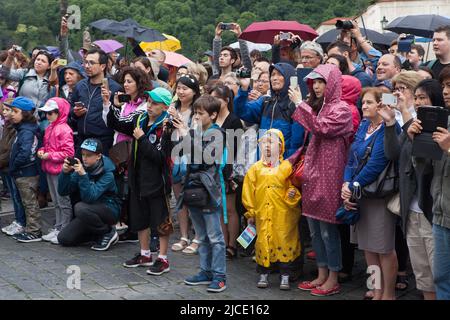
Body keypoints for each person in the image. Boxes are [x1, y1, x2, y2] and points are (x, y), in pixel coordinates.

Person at [289, 64, 353, 297]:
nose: (316, 86)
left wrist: (299, 103)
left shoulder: (342, 109)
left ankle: (334, 277)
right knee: (315, 231)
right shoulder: (320, 107)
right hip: (313, 174)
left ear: (332, 83)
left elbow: (322, 128)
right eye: (313, 82)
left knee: (328, 231)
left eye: (321, 82)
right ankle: (322, 273)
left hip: (330, 176)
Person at [380, 79, 445, 300]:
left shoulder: (439, 129)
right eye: (416, 97)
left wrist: (412, 131)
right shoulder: (414, 124)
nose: (418, 102)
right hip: (411, 210)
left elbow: (425, 167)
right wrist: (390, 125)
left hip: (431, 211)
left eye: (423, 97)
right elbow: (393, 154)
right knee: (422, 273)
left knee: (440, 273)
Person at [342, 87, 400, 300]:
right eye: (363, 103)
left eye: (368, 103)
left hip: (377, 195)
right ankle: (375, 289)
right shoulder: (364, 125)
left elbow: (377, 163)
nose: (363, 106)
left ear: (380, 104)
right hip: (359, 193)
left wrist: (352, 185)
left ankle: (388, 293)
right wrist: (346, 182)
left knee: (383, 248)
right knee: (367, 247)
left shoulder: (389, 128)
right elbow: (351, 157)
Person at [107, 87, 174, 274]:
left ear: (166, 107)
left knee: (160, 220)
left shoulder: (167, 126)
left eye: (155, 103)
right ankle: (145, 254)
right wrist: (115, 106)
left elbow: (161, 158)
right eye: (149, 102)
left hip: (157, 180)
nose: (150, 106)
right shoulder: (140, 118)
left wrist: (142, 139)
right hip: (137, 176)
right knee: (139, 217)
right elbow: (117, 124)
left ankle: (163, 258)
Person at [176, 95, 228, 293]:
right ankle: (205, 271)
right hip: (194, 188)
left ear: (213, 115)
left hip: (209, 190)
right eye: (195, 113)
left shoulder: (218, 134)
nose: (196, 117)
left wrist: (186, 136)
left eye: (200, 113)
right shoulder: (197, 132)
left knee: (215, 237)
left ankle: (220, 276)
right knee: (202, 235)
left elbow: (204, 160)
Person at [407, 66, 450, 300]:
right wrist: (417, 141)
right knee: (440, 279)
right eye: (444, 86)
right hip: (440, 214)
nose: (445, 91)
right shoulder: (444, 122)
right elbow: (424, 169)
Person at [242, 129, 301, 290]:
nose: (267, 146)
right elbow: (248, 191)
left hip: (283, 216)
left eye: (271, 143)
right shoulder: (255, 169)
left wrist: (291, 195)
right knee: (263, 242)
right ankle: (263, 274)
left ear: (281, 147)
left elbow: (294, 188)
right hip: (262, 215)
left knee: (284, 240)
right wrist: (251, 211)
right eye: (264, 142)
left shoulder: (287, 168)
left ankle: (285, 276)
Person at [57, 138, 120, 250]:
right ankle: (97, 234)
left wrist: (83, 175)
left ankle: (108, 232)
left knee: (80, 207)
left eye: (89, 155)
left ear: (98, 156)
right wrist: (64, 173)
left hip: (110, 208)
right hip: (89, 211)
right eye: (83, 154)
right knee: (64, 238)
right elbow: (63, 191)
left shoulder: (108, 174)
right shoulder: (82, 168)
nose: (84, 158)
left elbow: (90, 197)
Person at [234, 62, 305, 158]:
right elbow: (241, 111)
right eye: (272, 75)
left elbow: (296, 143)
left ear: (289, 77)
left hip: (282, 166)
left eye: (279, 74)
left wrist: (286, 164)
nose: (274, 78)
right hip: (262, 163)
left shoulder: (295, 105)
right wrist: (244, 88)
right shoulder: (265, 101)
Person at [209, 84, 243, 259]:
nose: (213, 102)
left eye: (217, 98)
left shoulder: (234, 120)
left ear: (226, 100)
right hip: (212, 168)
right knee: (217, 208)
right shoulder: (212, 119)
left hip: (228, 170)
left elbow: (235, 148)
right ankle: (221, 241)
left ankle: (232, 244)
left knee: (230, 208)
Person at [70, 48, 122, 155]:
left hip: (103, 142)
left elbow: (119, 117)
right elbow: (70, 112)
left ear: (102, 66)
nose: (87, 66)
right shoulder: (80, 86)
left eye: (92, 63)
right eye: (86, 62)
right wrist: (75, 113)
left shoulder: (115, 88)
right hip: (82, 140)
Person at [37, 98, 74, 244]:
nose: (48, 116)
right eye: (46, 113)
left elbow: (68, 152)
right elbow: (46, 146)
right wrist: (41, 151)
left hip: (60, 170)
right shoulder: (50, 127)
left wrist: (49, 155)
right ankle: (58, 227)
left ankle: (64, 228)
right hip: (50, 168)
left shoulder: (64, 129)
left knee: (63, 201)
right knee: (57, 202)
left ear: (60, 112)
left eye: (51, 113)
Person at [5, 97, 41, 242]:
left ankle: (34, 231)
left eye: (15, 111)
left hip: (26, 173)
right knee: (25, 202)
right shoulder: (22, 129)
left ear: (25, 114)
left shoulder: (26, 131)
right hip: (21, 172)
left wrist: (14, 166)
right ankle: (29, 228)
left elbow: (25, 153)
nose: (12, 114)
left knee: (29, 203)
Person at [0, 99, 26, 236]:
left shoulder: (16, 129)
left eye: (8, 110)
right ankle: (18, 220)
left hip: (10, 165)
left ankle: (21, 222)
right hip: (5, 166)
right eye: (3, 109)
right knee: (14, 195)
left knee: (17, 196)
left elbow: (10, 150)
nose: (5, 112)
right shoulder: (7, 126)